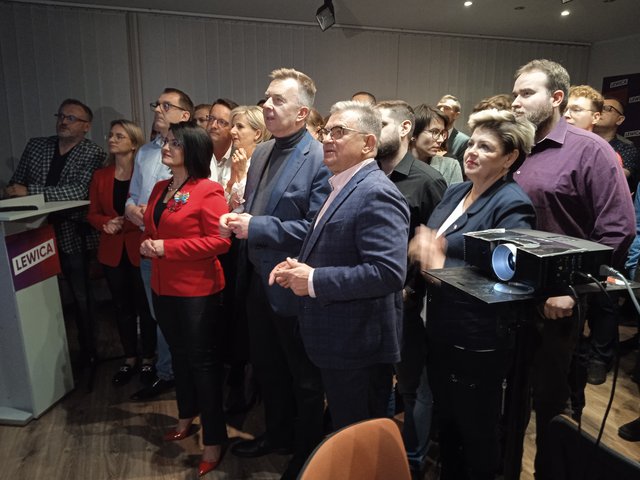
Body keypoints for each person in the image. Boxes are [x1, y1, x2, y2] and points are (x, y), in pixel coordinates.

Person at [511, 59, 635, 479]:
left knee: (551, 400)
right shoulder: (517, 147)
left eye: (527, 93)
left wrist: (576, 288)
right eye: (515, 93)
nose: (516, 101)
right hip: (511, 293)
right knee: (511, 397)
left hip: (558, 301)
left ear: (557, 98)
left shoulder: (591, 150)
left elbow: (618, 228)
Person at [409, 109, 537, 479]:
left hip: (476, 337)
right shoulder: (456, 191)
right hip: (439, 326)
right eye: (472, 144)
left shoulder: (512, 203)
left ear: (509, 158)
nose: (472, 152)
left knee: (476, 431)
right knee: (447, 423)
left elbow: (510, 275)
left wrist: (440, 267)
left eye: (486, 147)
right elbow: (434, 240)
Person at [270, 99, 410, 429]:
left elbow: (388, 273)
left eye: (339, 132)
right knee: (347, 432)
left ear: (368, 143)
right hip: (341, 340)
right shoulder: (342, 184)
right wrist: (298, 267)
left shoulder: (376, 192)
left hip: (358, 346)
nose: (327, 139)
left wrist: (314, 280)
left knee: (360, 438)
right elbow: (340, 250)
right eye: (325, 131)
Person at [220, 68, 331, 480]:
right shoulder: (264, 151)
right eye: (266, 97)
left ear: (302, 113)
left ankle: (306, 453)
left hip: (291, 282)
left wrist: (257, 226)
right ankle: (278, 435)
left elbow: (317, 228)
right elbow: (256, 208)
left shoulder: (320, 157)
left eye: (277, 100)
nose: (266, 105)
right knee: (267, 367)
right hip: (256, 278)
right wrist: (237, 218)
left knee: (303, 377)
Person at [140, 121, 231, 477]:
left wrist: (168, 248)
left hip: (197, 291)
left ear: (192, 150)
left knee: (203, 364)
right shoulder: (160, 188)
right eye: (166, 141)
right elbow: (153, 229)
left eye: (175, 143)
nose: (166, 147)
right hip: (163, 288)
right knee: (178, 356)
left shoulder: (208, 190)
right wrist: (149, 244)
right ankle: (185, 416)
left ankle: (214, 439)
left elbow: (220, 242)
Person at [5, 98, 105, 368]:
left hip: (72, 232)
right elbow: (16, 184)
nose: (63, 121)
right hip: (31, 233)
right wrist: (19, 191)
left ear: (86, 126)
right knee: (38, 296)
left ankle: (89, 351)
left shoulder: (93, 152)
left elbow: (79, 191)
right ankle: (45, 356)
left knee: (81, 295)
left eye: (71, 118)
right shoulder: (37, 146)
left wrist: (31, 192)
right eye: (61, 116)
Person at [374, 100, 446, 475]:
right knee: (378, 379)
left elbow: (434, 243)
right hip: (371, 295)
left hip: (407, 302)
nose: (374, 130)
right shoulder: (368, 172)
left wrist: (410, 289)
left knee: (411, 384)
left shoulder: (427, 180)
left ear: (405, 128)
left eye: (382, 123)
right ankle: (381, 451)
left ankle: (411, 461)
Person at [126, 87, 193, 400]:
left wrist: (158, 214)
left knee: (182, 319)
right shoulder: (145, 153)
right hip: (149, 245)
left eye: (166, 106)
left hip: (180, 249)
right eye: (157, 104)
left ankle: (182, 376)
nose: (157, 109)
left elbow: (198, 196)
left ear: (184, 115)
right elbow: (133, 195)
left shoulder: (195, 151)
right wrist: (131, 210)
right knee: (158, 316)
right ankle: (168, 372)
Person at [87, 120, 156, 386]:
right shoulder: (101, 176)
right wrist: (105, 223)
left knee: (145, 306)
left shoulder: (145, 173)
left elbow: (151, 209)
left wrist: (129, 220)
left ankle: (148, 358)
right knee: (121, 306)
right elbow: (92, 213)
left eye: (119, 136)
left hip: (139, 246)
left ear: (134, 143)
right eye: (111, 135)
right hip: (112, 250)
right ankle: (130, 358)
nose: (112, 140)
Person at [227, 105, 271, 211]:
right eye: (233, 126)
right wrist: (232, 181)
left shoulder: (267, 165)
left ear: (257, 134)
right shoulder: (233, 161)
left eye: (240, 126)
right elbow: (224, 207)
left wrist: (241, 174)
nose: (232, 131)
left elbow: (252, 206)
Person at [594, 96, 639, 193]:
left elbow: (615, 178)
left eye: (607, 108)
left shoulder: (626, 148)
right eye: (598, 107)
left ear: (620, 120)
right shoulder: (577, 140)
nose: (600, 111)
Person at [411, 104, 463, 185]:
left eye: (442, 133)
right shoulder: (395, 163)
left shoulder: (450, 166)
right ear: (413, 133)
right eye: (434, 132)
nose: (441, 140)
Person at [207, 98, 239, 188]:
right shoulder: (195, 153)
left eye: (222, 122)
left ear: (233, 128)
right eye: (211, 118)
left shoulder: (239, 158)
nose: (213, 125)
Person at [437, 94, 470, 164]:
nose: (441, 110)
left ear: (456, 115)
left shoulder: (464, 142)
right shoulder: (428, 135)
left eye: (446, 108)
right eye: (439, 107)